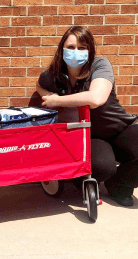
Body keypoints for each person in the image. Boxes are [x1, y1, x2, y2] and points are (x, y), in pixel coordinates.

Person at [36, 26, 138, 207]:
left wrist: (58, 101)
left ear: (90, 50)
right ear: (62, 49)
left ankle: (120, 185)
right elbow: (39, 84)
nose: (76, 52)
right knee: (101, 167)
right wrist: (46, 94)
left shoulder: (99, 65)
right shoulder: (54, 74)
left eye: (82, 48)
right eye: (71, 47)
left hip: (119, 127)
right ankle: (87, 182)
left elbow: (96, 98)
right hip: (89, 136)